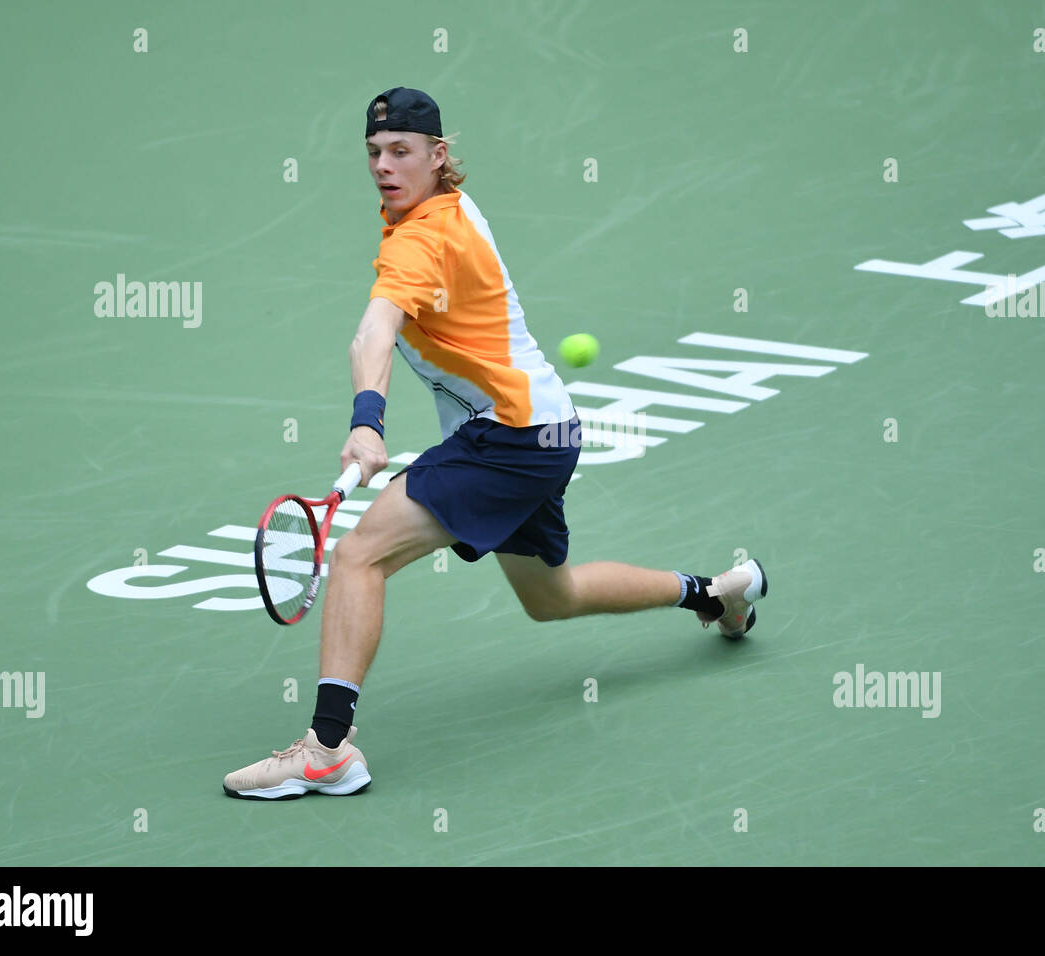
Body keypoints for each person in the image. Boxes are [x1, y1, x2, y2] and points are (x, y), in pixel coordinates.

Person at [223, 87, 768, 800]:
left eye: (402, 152)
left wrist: (367, 421)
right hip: (543, 432)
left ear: (438, 155)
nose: (384, 166)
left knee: (359, 557)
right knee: (553, 597)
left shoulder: (422, 238)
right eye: (374, 153)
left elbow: (373, 332)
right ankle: (718, 593)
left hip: (507, 439)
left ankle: (327, 750)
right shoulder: (442, 212)